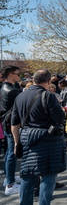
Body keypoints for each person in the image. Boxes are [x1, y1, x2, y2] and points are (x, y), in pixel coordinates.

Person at [11, 69, 66, 204]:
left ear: (34, 79)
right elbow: (59, 119)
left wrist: (17, 143)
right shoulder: (48, 96)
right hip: (48, 141)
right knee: (48, 178)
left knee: (28, 177)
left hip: (27, 140)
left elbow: (14, 123)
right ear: (48, 81)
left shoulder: (20, 96)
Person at [0, 65, 22, 195]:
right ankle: (10, 183)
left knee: (9, 152)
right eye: (17, 74)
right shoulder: (11, 91)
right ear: (10, 75)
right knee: (12, 152)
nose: (19, 76)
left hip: (6, 123)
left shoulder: (4, 88)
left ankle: (9, 178)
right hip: (10, 124)